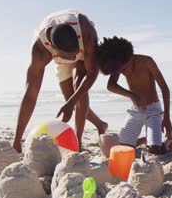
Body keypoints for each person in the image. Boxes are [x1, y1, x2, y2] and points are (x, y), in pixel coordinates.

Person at [12, 9, 108, 153]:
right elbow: (30, 95)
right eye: (71, 55)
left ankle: (78, 141)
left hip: (84, 48)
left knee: (78, 87)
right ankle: (100, 124)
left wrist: (70, 104)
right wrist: (17, 140)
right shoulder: (40, 50)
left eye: (75, 52)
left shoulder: (86, 31)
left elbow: (92, 74)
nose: (75, 55)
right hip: (60, 53)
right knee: (70, 98)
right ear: (54, 50)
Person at [99, 37, 172, 154]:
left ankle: (168, 140)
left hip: (153, 110)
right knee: (122, 149)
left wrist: (167, 118)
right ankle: (145, 140)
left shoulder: (147, 62)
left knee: (155, 150)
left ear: (128, 57)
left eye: (124, 69)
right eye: (121, 72)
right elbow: (111, 85)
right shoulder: (118, 65)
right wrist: (133, 96)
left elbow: (164, 88)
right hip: (135, 111)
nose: (124, 73)